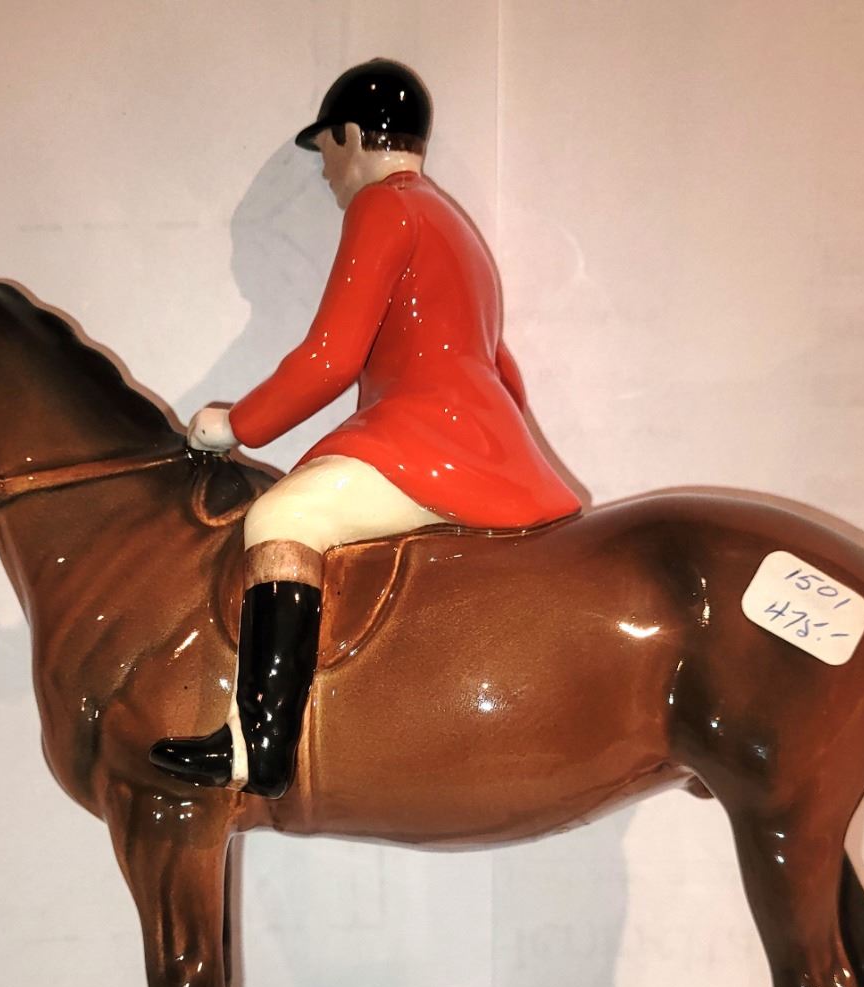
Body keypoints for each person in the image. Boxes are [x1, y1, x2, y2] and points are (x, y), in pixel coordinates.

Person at [151, 58, 581, 798]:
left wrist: (237, 424)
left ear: (351, 136)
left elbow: (331, 357)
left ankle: (260, 746)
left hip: (425, 439)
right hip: (482, 443)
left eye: (325, 150)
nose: (324, 171)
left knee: (283, 517)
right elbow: (500, 364)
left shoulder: (384, 207)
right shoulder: (454, 225)